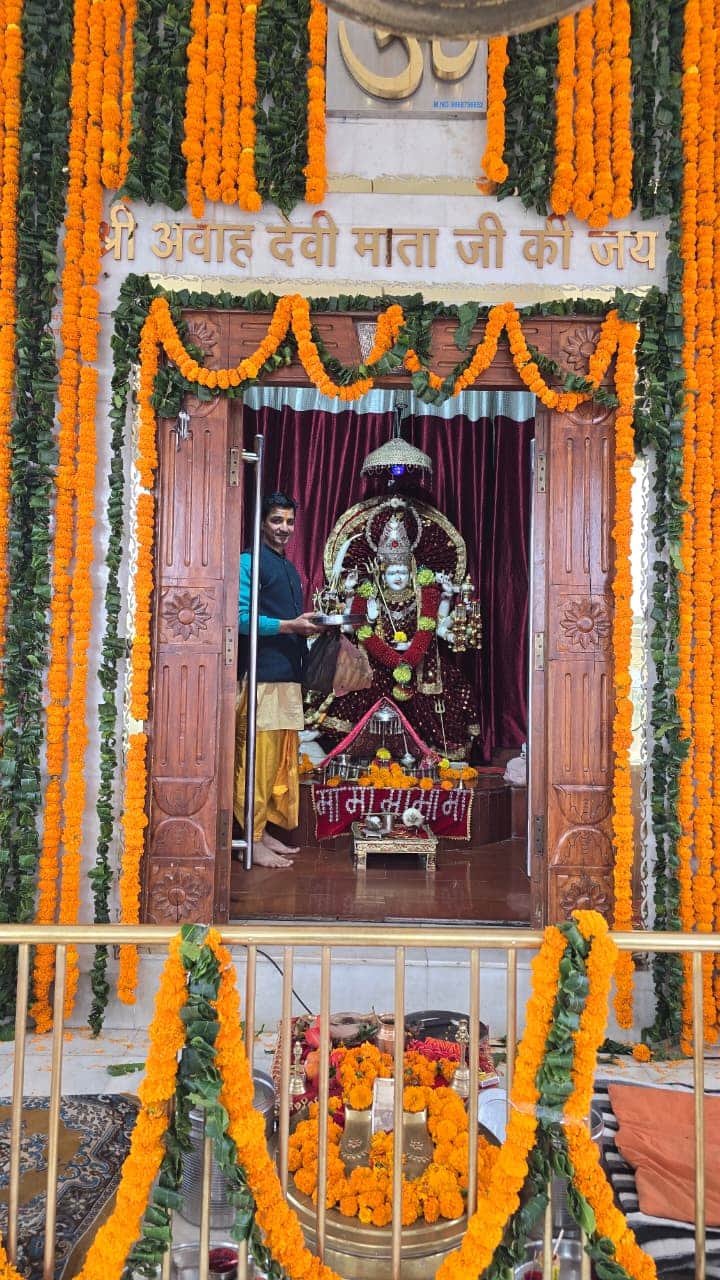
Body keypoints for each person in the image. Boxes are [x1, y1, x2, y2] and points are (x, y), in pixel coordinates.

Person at [235, 492, 322, 868]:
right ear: (261, 523)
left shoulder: (288, 568)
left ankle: (261, 832)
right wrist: (289, 625)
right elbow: (238, 619)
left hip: (288, 677)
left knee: (279, 764)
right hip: (262, 678)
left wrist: (308, 621)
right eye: (276, 521)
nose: (284, 528)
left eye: (288, 521)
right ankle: (248, 841)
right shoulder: (247, 562)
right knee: (258, 760)